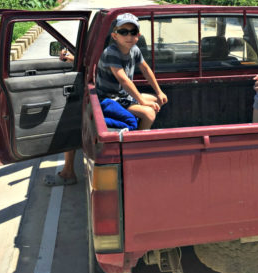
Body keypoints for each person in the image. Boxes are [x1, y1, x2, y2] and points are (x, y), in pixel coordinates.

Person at [44, 12, 168, 186]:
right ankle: (135, 152)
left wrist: (159, 91)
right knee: (149, 113)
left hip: (122, 96)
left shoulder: (135, 50)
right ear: (114, 35)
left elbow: (146, 70)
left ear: (138, 36)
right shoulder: (111, 53)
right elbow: (123, 80)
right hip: (108, 98)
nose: (129, 36)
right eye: (123, 32)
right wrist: (141, 101)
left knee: (156, 100)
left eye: (133, 32)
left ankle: (137, 137)